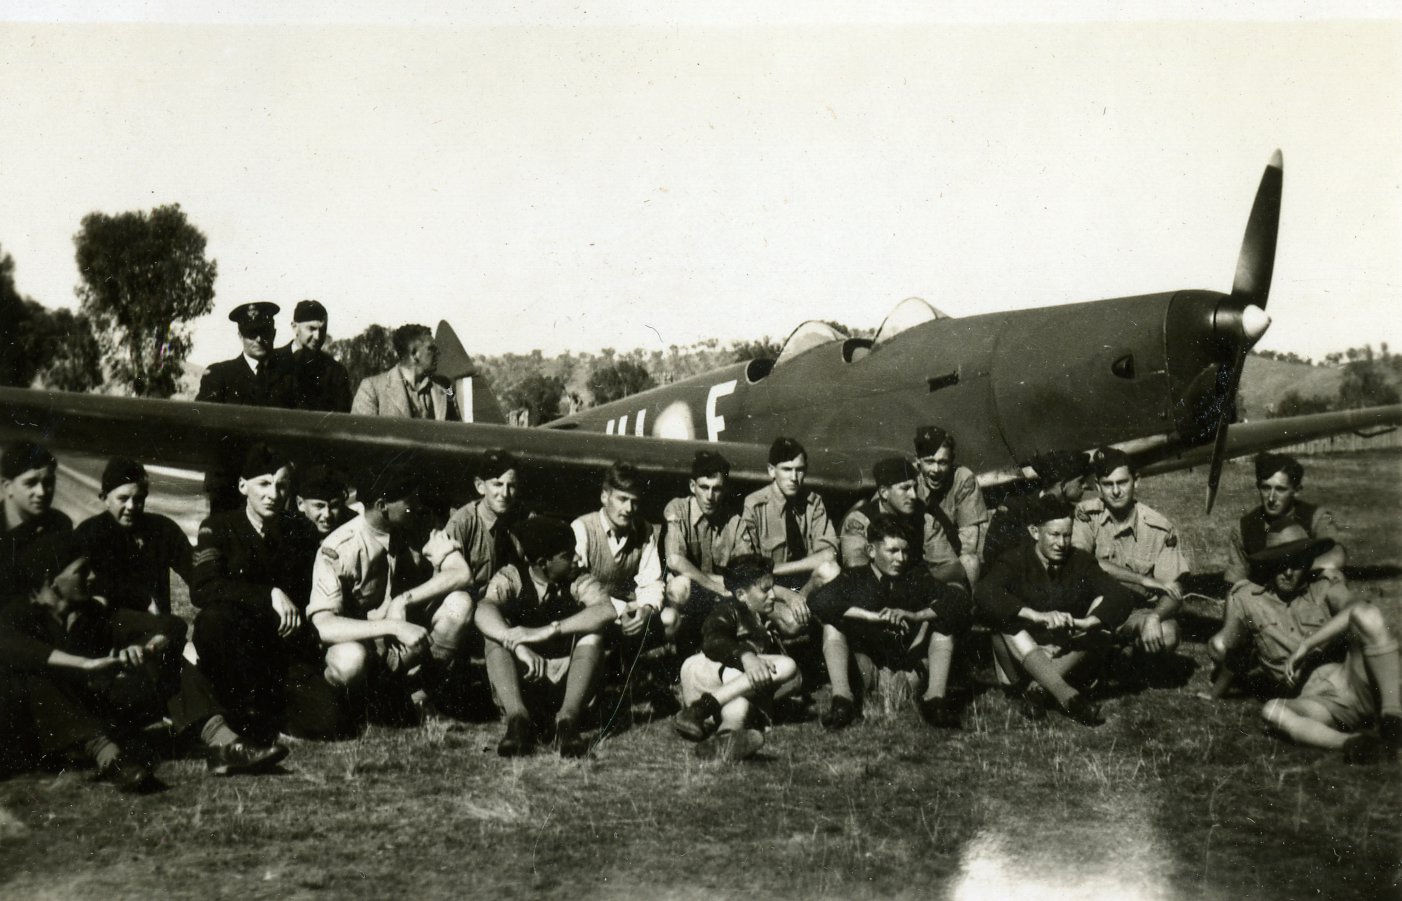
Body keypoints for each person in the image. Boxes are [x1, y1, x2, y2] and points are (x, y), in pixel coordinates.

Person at [0, 533, 287, 792]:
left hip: (96, 711)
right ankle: (110, 759)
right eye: (81, 571)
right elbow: (16, 648)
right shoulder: (20, 615)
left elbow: (170, 624)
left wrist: (147, 648)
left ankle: (225, 744)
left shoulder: (91, 612)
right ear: (52, 579)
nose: (92, 578)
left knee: (168, 658)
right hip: (43, 727)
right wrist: (85, 664)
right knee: (38, 676)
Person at [1207, 525, 1400, 763]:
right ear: (1269, 562)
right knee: (1272, 711)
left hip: (1355, 678)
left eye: (1296, 563)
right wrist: (1215, 695)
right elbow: (1235, 651)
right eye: (1280, 562)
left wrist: (1307, 646)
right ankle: (1355, 744)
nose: (1288, 572)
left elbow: (1357, 610)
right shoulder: (1248, 600)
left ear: (1308, 562)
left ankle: (1393, 720)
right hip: (1320, 702)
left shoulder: (1325, 586)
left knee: (1368, 615)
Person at [191, 444, 341, 741]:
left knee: (329, 721)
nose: (273, 494)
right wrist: (268, 594)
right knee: (214, 620)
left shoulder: (301, 531)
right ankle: (239, 710)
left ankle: (269, 713)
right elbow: (203, 588)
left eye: (281, 486)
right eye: (264, 484)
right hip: (237, 646)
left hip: (283, 649)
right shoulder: (218, 527)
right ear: (242, 485)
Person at [307, 469, 474, 721]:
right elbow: (323, 626)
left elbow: (462, 573)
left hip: (409, 643)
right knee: (349, 660)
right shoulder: (339, 548)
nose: (416, 505)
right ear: (383, 506)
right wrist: (393, 625)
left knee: (459, 604)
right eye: (409, 501)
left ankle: (420, 690)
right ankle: (356, 705)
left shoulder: (418, 525)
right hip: (366, 647)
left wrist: (403, 600)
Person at [976, 496, 1138, 726]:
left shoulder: (1080, 560)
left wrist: (1087, 623)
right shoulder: (1014, 560)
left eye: (1067, 535)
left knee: (1103, 622)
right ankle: (1069, 699)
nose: (1062, 543)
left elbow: (1120, 595)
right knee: (1005, 618)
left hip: (1064, 656)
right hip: (1020, 658)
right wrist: (1035, 616)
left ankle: (1038, 690)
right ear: (1034, 532)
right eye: (1054, 535)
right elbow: (984, 592)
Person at [811, 515, 972, 730]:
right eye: (892, 551)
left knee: (943, 621)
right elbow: (818, 601)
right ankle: (842, 701)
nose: (901, 559)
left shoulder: (915, 577)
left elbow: (960, 600)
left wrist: (917, 616)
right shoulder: (855, 577)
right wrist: (870, 616)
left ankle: (935, 702)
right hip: (866, 670)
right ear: (871, 551)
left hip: (908, 672)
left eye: (905, 551)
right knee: (832, 625)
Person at [475, 517, 615, 757]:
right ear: (543, 562)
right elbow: (483, 609)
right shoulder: (514, 576)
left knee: (592, 633)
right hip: (524, 678)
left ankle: (567, 723)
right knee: (494, 634)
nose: (577, 559)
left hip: (567, 680)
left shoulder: (578, 579)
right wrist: (517, 644)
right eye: (567, 556)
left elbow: (606, 610)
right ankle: (518, 720)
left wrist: (548, 630)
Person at [671, 554, 801, 761]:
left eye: (772, 588)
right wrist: (746, 655)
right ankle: (698, 709)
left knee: (740, 703)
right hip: (704, 672)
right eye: (765, 590)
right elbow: (713, 640)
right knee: (786, 665)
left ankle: (723, 739)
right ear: (741, 594)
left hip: (725, 690)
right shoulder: (728, 608)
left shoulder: (761, 619)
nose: (773, 596)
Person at [1072, 447, 1188, 666]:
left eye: (1122, 482)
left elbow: (1174, 590)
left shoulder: (1160, 529)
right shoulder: (1086, 515)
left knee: (1167, 633)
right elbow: (1081, 562)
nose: (1116, 491)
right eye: (1108, 484)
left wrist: (1154, 617)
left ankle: (1129, 657)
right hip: (1095, 609)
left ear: (1136, 481)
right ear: (1097, 486)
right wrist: (1142, 579)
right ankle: (1107, 655)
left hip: (1136, 613)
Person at [196, 302, 295, 512]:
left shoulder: (291, 379)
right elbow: (205, 429)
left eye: (265, 332)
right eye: (252, 333)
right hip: (229, 484)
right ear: (240, 335)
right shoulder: (219, 376)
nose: (259, 339)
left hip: (273, 487)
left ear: (274, 333)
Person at [663, 451, 758, 651]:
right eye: (704, 487)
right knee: (680, 585)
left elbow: (746, 569)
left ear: (724, 490)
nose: (709, 497)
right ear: (692, 486)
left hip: (721, 594)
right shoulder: (678, 509)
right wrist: (713, 585)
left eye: (716, 489)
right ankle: (673, 646)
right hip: (695, 591)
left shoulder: (734, 522)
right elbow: (674, 560)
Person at [73, 458, 192, 615]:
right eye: (123, 499)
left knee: (176, 627)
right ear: (104, 498)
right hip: (109, 623)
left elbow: (193, 568)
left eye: (138, 499)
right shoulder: (89, 532)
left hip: (155, 625)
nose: (131, 506)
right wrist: (142, 600)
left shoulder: (162, 529)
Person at [572, 462, 672, 640]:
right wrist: (620, 610)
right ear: (605, 497)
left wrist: (646, 610)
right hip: (594, 611)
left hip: (631, 612)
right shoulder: (582, 528)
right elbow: (577, 585)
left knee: (670, 619)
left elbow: (651, 581)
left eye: (634, 502)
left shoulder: (644, 530)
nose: (628, 509)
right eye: (622, 499)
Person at [838, 456, 964, 587]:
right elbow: (857, 572)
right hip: (875, 593)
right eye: (905, 488)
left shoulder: (924, 520)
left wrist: (913, 582)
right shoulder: (860, 520)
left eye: (914, 488)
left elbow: (953, 569)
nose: (913, 496)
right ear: (884, 492)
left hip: (914, 589)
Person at [1223, 453, 1345, 586]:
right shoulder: (1244, 527)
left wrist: (1294, 570)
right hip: (1266, 597)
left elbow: (1337, 557)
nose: (1271, 498)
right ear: (1258, 486)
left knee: (1334, 577)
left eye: (1280, 489)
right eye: (1266, 488)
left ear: (1296, 490)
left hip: (1308, 592)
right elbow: (1235, 580)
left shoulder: (1315, 517)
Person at [741, 437, 840, 597]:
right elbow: (747, 565)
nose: (794, 478)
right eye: (786, 469)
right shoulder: (754, 505)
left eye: (799, 470)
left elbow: (828, 555)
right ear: (771, 470)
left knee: (831, 569)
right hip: (771, 589)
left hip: (805, 587)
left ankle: (802, 608)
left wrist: (775, 568)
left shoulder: (813, 502)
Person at [442, 449, 530, 597]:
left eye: (511, 486)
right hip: (465, 605)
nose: (505, 494)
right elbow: (446, 581)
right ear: (480, 486)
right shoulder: (462, 523)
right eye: (497, 484)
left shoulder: (520, 521)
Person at [983, 450, 1091, 568]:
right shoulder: (1015, 510)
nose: (1085, 486)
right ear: (1063, 484)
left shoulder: (1073, 511)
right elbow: (993, 554)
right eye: (1080, 481)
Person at [913, 426, 989, 585]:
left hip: (949, 558)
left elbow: (968, 544)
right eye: (929, 462)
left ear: (952, 460)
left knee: (970, 563)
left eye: (943, 462)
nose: (936, 470)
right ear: (917, 461)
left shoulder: (962, 479)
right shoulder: (907, 481)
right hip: (915, 558)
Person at [1, 441, 71, 602]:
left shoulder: (59, 524)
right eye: (30, 483)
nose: (41, 492)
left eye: (48, 482)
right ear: (7, 486)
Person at [351, 324, 460, 421]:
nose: (438, 353)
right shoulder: (371, 389)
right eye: (431, 349)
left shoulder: (445, 386)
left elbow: (456, 431)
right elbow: (361, 438)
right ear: (414, 354)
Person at [271, 299, 352, 413]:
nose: (317, 337)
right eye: (311, 329)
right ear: (294, 327)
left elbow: (341, 418)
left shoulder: (336, 372)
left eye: (322, 330)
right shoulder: (271, 361)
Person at [296, 464, 353, 538]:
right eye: (319, 506)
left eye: (334, 506)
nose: (327, 515)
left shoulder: (353, 524)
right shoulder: (288, 531)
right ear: (300, 504)